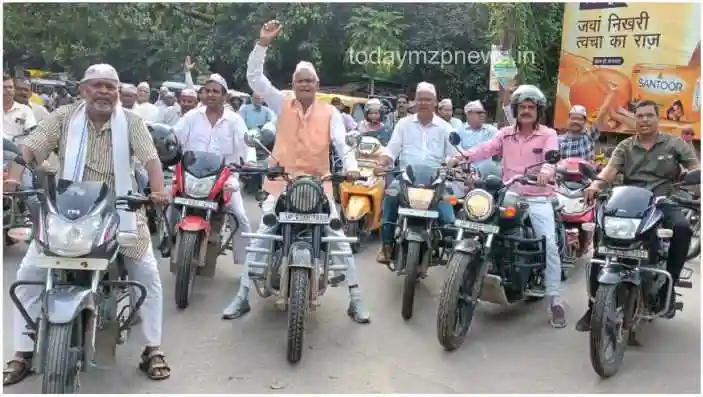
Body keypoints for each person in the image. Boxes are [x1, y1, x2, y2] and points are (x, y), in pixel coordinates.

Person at [2, 64, 171, 385]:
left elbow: (150, 160)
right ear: (83, 90)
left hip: (120, 209)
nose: (104, 92)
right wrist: (12, 177)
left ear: (118, 93)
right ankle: (22, 351)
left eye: (111, 86)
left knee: (147, 275)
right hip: (68, 212)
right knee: (28, 275)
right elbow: (30, 148)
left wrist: (158, 191)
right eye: (97, 86)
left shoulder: (131, 122)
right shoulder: (64, 117)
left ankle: (152, 349)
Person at [222, 19, 371, 323]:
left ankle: (355, 299)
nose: (305, 85)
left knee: (339, 241)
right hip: (282, 184)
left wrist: (352, 168)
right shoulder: (281, 102)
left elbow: (341, 145)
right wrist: (262, 43)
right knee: (262, 238)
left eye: (310, 81)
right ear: (293, 84)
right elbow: (254, 77)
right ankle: (242, 296)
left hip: (320, 185)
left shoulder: (331, 113)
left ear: (318, 85)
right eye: (300, 80)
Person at [449, 85, 567, 328]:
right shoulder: (504, 134)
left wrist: (546, 171)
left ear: (538, 111)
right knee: (475, 224)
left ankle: (554, 300)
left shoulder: (548, 134)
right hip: (508, 193)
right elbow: (485, 149)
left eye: (530, 107)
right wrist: (461, 157)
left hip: (537, 196)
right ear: (515, 110)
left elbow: (551, 156)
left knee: (550, 245)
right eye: (522, 107)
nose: (526, 111)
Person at [577, 100, 700, 331]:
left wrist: (696, 182)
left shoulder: (674, 144)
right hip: (630, 201)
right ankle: (593, 307)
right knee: (601, 237)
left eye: (649, 116)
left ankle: (668, 288)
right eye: (640, 116)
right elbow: (609, 171)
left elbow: (695, 169)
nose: (644, 120)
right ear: (635, 119)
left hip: (663, 201)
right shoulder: (625, 146)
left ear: (657, 118)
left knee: (682, 228)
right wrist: (595, 185)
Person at [171, 73, 252, 283]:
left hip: (224, 177)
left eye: (215, 91)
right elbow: (174, 137)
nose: (210, 94)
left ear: (224, 96)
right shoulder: (191, 117)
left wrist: (248, 162)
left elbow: (246, 146)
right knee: (168, 203)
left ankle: (246, 266)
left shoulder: (234, 120)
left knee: (240, 216)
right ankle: (167, 240)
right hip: (190, 175)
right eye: (207, 90)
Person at [374, 82, 456, 268]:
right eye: (420, 99)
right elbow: (392, 149)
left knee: (449, 218)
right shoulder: (403, 124)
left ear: (435, 102)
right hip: (406, 178)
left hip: (436, 181)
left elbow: (454, 153)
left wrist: (452, 162)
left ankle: (451, 253)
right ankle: (387, 246)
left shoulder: (445, 128)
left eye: (428, 99)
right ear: (415, 101)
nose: (424, 102)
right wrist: (382, 162)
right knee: (391, 197)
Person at [460, 100, 501, 178]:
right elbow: (457, 153)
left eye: (484, 112)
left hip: (487, 175)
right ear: (468, 114)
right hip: (465, 174)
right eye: (479, 113)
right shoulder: (459, 131)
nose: (482, 115)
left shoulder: (492, 131)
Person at [3, 74, 37, 141]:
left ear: (14, 90)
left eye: (10, 87)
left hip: (15, 149)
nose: (8, 90)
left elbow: (33, 134)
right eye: (4, 87)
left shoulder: (25, 110)